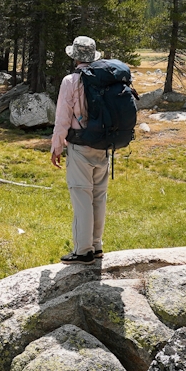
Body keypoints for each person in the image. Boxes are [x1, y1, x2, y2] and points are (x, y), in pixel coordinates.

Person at [50, 35, 108, 264]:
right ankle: (96, 245)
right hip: (103, 146)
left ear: (75, 58)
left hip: (80, 146)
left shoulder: (70, 81)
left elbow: (63, 118)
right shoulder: (105, 78)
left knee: (82, 197)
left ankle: (83, 251)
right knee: (98, 197)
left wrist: (56, 146)